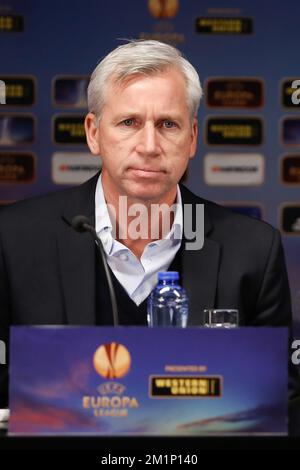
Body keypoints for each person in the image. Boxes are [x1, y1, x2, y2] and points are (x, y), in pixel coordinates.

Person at [0, 40, 299, 408]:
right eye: (129, 122)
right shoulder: (14, 239)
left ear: (191, 137)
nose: (149, 144)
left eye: (167, 124)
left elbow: (277, 399)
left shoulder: (253, 249)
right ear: (93, 133)